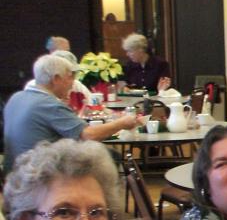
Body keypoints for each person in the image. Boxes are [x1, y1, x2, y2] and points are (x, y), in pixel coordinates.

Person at [3, 55, 142, 165]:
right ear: (56, 79)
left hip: (16, 171)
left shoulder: (16, 98)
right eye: (70, 77)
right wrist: (122, 122)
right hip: (41, 173)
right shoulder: (48, 104)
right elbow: (89, 135)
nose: (73, 83)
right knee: (108, 157)